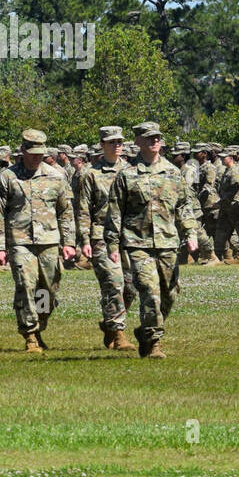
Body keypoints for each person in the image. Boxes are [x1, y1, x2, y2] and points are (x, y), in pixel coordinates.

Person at [104, 122, 198, 358]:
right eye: (149, 138)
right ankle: (155, 342)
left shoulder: (173, 173)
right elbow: (115, 211)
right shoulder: (127, 174)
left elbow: (184, 206)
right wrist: (112, 244)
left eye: (157, 137)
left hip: (167, 242)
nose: (155, 141)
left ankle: (145, 331)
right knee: (149, 290)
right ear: (137, 142)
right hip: (138, 243)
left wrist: (191, 232)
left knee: (169, 293)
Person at [0, 129, 76, 353]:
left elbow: (66, 212)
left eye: (40, 153)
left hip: (49, 240)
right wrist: (0, 247)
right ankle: (29, 334)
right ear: (22, 151)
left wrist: (69, 242)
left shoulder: (56, 177)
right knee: (26, 286)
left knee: (47, 291)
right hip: (20, 241)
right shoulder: (7, 177)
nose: (36, 158)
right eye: (32, 153)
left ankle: (40, 324)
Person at [76, 126, 136, 350]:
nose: (117, 145)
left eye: (119, 141)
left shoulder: (131, 171)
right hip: (100, 235)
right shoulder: (90, 173)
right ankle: (119, 334)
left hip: (127, 236)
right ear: (102, 144)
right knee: (114, 283)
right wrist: (83, 241)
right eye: (111, 142)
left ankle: (110, 324)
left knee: (132, 287)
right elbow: (83, 210)